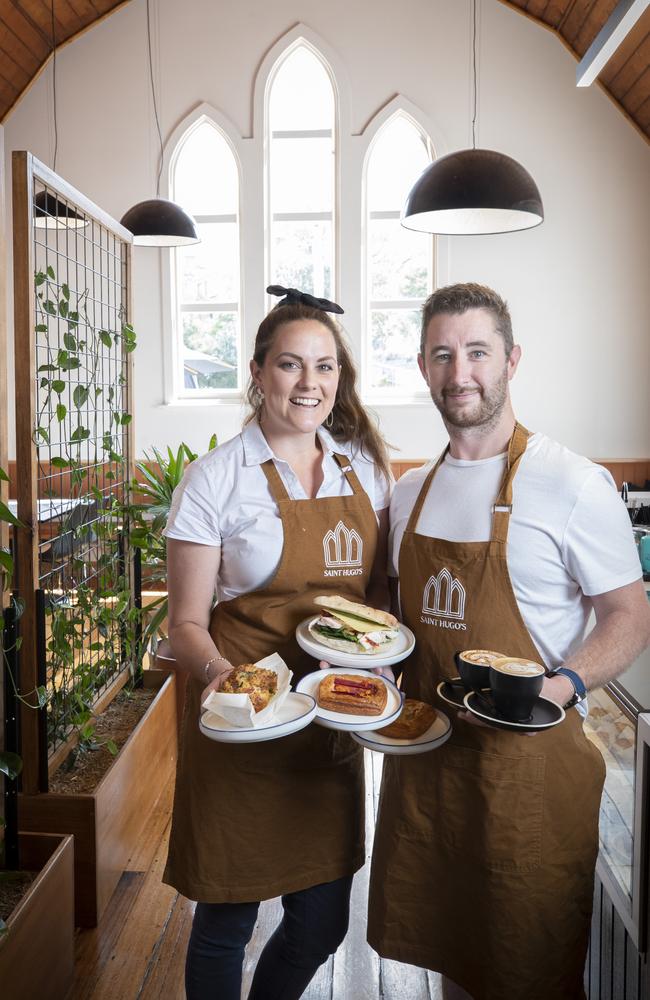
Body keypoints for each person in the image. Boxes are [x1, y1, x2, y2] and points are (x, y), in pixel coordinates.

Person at [367, 283, 650, 1000]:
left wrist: (551, 692)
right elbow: (396, 612)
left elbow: (630, 615)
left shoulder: (572, 483)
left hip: (529, 780)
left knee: (532, 969)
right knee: (454, 963)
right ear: (424, 368)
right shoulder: (410, 492)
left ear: (511, 360)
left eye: (477, 352)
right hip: (430, 775)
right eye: (442, 354)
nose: (459, 372)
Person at [162, 286, 392, 1000]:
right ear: (258, 372)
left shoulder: (366, 468)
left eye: (324, 367)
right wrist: (232, 682)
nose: (309, 383)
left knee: (321, 923)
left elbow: (378, 599)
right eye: (291, 365)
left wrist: (366, 659)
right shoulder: (214, 480)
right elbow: (186, 625)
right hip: (242, 726)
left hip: (328, 718)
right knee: (226, 919)